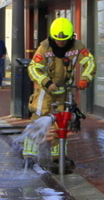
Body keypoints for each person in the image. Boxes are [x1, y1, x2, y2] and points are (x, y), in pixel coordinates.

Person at [24, 18, 96, 173]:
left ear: (71, 37)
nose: (61, 43)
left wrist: (85, 78)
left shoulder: (77, 46)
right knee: (38, 119)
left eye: (64, 40)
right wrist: (46, 81)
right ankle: (30, 154)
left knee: (62, 123)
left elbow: (89, 62)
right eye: (57, 40)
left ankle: (58, 155)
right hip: (46, 90)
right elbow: (33, 68)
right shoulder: (44, 47)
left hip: (65, 90)